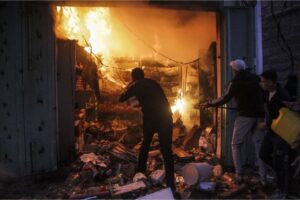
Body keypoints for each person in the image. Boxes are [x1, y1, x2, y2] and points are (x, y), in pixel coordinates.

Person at [203, 59, 267, 184]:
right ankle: (263, 177)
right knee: (258, 145)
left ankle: (239, 173)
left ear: (234, 70)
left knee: (235, 144)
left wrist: (209, 103)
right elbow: (264, 93)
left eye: (232, 70)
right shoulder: (256, 78)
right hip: (260, 115)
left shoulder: (236, 81)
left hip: (245, 115)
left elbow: (225, 97)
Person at [119, 67, 175, 191]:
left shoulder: (135, 85)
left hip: (151, 119)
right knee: (166, 150)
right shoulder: (153, 82)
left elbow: (121, 98)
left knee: (145, 144)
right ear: (143, 75)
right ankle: (171, 183)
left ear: (133, 77)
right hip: (166, 117)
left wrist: (129, 85)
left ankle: (141, 171)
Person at [259, 69, 291, 198]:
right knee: (263, 154)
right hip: (271, 132)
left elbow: (284, 118)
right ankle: (279, 176)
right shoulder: (266, 93)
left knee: (278, 162)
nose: (262, 83)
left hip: (281, 133)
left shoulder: (283, 95)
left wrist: (265, 124)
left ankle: (281, 191)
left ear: (271, 82)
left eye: (264, 81)